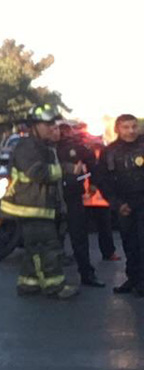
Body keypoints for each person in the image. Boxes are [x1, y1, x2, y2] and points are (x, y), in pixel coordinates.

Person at [0, 106, 79, 299]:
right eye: (48, 124)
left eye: (54, 124)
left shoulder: (41, 146)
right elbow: (37, 173)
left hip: (38, 205)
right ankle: (55, 287)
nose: (52, 128)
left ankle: (28, 284)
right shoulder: (28, 146)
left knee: (34, 247)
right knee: (47, 246)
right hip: (31, 206)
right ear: (35, 126)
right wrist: (67, 169)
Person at [95, 114, 144, 296]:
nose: (131, 131)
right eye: (126, 127)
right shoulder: (110, 152)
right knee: (130, 244)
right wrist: (116, 204)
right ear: (117, 129)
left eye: (134, 126)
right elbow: (102, 179)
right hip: (124, 205)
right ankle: (133, 279)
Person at [57, 124, 104, 287]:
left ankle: (87, 274)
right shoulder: (45, 148)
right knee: (50, 238)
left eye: (63, 130)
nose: (60, 133)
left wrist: (92, 183)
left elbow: (93, 165)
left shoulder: (76, 148)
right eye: (57, 130)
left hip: (73, 196)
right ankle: (53, 277)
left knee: (79, 237)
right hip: (50, 199)